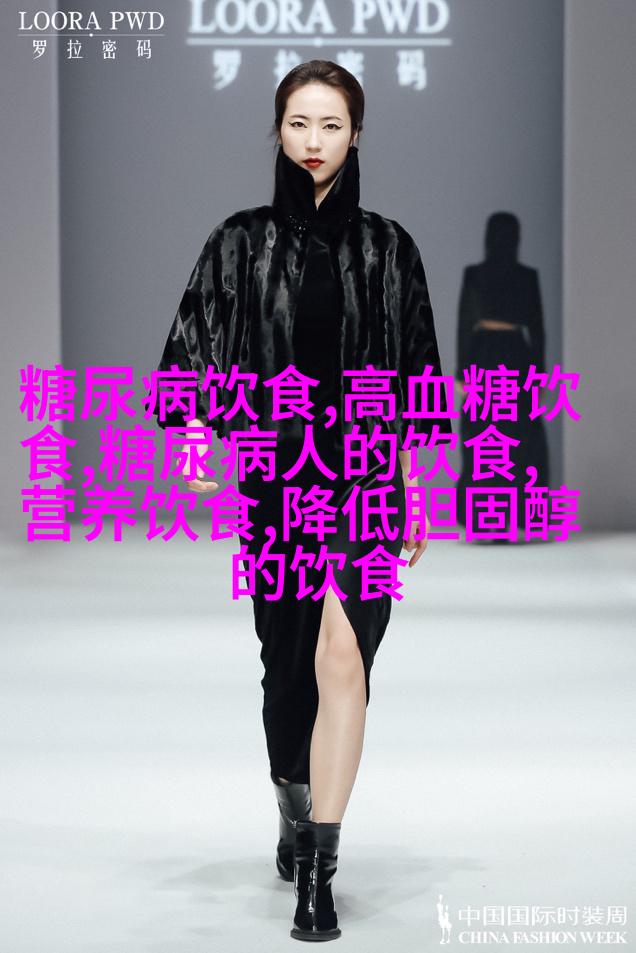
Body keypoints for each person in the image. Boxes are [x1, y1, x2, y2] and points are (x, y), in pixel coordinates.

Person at [151, 60, 452, 941]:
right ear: (277, 131)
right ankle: (293, 797)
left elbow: (416, 373)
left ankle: (319, 868)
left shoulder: (389, 247)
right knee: (287, 674)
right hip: (279, 481)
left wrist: (417, 489)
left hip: (367, 477)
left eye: (331, 124)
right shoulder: (239, 241)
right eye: (299, 123)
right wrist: (195, 434)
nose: (314, 141)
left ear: (357, 134)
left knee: (345, 655)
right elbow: (194, 342)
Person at [454, 212, 550, 539]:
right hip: (517, 357)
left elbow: (464, 326)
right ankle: (516, 517)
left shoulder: (475, 274)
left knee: (485, 437)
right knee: (517, 437)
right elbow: (538, 331)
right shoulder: (527, 277)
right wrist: (539, 374)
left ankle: (488, 519)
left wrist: (461, 372)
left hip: (483, 356)